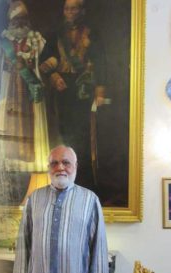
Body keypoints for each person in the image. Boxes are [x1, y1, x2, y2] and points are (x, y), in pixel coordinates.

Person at [39, 0, 109, 188]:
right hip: (63, 90)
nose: (70, 12)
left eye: (74, 8)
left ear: (82, 10)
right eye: (67, 8)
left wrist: (100, 89)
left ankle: (85, 183)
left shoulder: (92, 33)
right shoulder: (56, 34)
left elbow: (101, 62)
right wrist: (53, 76)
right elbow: (44, 58)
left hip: (84, 89)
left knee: (84, 138)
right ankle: (65, 182)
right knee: (64, 135)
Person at [13, 145, 108, 273]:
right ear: (48, 168)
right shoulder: (34, 198)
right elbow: (23, 245)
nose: (60, 167)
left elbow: (98, 250)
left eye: (66, 162)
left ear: (75, 166)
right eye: (54, 163)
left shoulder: (90, 200)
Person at [0, 0, 50, 171]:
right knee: (10, 119)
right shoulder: (4, 41)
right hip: (9, 83)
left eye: (22, 19)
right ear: (10, 22)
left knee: (31, 118)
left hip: (30, 83)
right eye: (15, 20)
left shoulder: (37, 39)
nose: (19, 23)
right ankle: (11, 161)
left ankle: (33, 158)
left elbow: (43, 58)